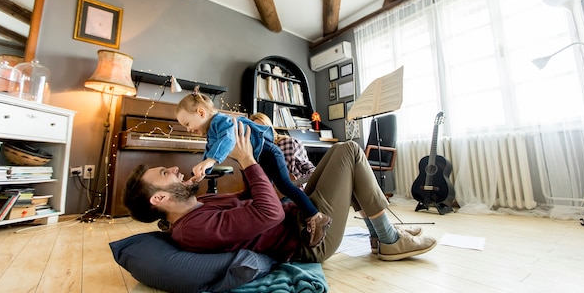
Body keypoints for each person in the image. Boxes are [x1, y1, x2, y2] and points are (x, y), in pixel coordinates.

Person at [124, 119, 437, 262]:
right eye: (167, 174)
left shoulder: (198, 206)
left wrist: (255, 159)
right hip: (308, 240)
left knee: (340, 155)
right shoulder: (193, 229)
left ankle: (381, 237)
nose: (176, 170)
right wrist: (247, 161)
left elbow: (251, 198)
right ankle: (389, 240)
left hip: (301, 217)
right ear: (160, 199)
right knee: (351, 151)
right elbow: (269, 211)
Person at [174, 87, 331, 247]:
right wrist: (203, 170)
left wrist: (211, 161)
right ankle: (277, 222)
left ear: (201, 113)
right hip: (257, 157)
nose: (188, 129)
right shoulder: (211, 130)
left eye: (187, 123)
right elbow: (209, 150)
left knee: (285, 185)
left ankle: (316, 216)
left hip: (268, 152)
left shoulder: (220, 121)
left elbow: (228, 139)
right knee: (254, 192)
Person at [249, 112, 315, 187]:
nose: (260, 132)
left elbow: (311, 171)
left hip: (291, 194)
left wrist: (295, 184)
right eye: (255, 130)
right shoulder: (252, 151)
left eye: (263, 127)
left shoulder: (289, 143)